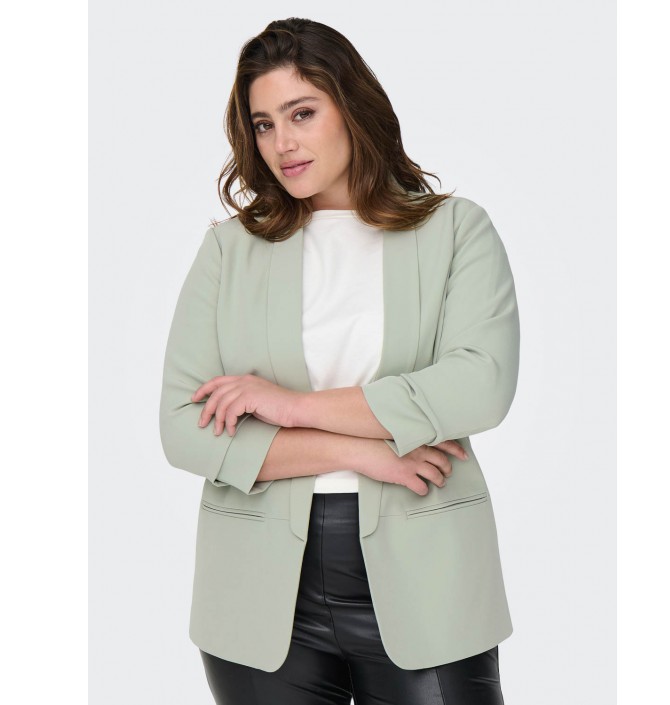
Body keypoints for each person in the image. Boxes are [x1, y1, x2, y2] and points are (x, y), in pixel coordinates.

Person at [159, 16, 520, 705]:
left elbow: (480, 386)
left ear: (352, 107)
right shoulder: (229, 251)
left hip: (429, 574)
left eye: (302, 113)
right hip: (258, 588)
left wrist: (289, 406)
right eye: (263, 124)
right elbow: (184, 428)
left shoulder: (455, 230)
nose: (282, 143)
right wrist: (362, 453)